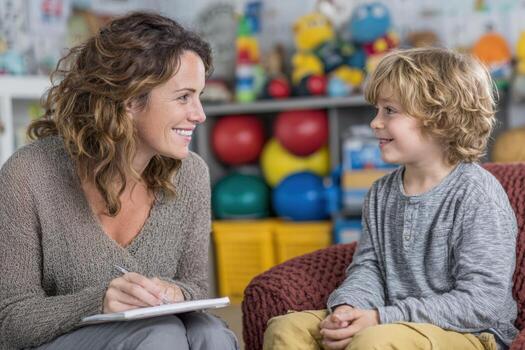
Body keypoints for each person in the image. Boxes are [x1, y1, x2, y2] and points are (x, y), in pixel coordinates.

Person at [0, 12, 238, 350]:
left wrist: (176, 292)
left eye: (198, 96)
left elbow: (196, 286)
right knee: (162, 334)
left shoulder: (191, 175)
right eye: (184, 97)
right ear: (129, 100)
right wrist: (99, 301)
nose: (199, 114)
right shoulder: (28, 175)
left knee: (209, 332)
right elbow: (9, 322)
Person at [263, 48, 518, 350]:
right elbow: (369, 267)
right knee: (285, 329)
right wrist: (348, 308)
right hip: (390, 322)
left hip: (472, 334)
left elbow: (483, 302)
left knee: (375, 341)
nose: (375, 122)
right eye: (377, 110)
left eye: (390, 111)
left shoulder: (477, 192)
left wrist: (381, 318)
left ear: (440, 118)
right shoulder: (381, 192)